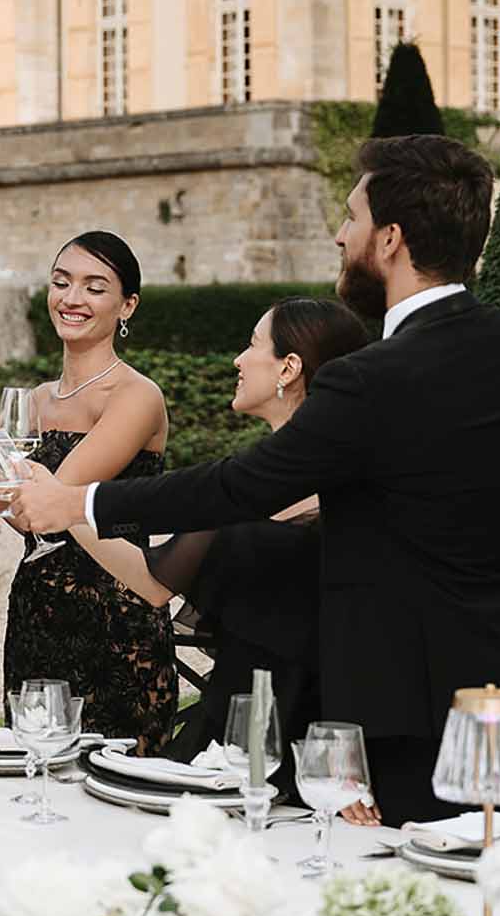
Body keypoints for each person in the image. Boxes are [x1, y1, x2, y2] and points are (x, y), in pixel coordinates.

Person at [17, 135, 500, 829]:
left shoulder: (371, 379)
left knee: (417, 912)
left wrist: (79, 500)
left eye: (352, 218)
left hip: (419, 715)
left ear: (392, 239)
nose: (341, 236)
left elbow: (239, 486)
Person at [65, 297, 370, 792]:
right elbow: (155, 578)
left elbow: (153, 579)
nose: (237, 359)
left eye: (251, 345)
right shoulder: (260, 481)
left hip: (296, 739)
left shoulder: (280, 488)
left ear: (288, 369)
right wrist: (68, 508)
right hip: (260, 726)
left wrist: (67, 505)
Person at [0, 231, 177, 750]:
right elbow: (20, 512)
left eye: (94, 288)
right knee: (33, 778)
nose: (72, 299)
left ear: (128, 305)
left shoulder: (136, 396)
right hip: (38, 612)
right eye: (62, 282)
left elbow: (54, 498)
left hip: (117, 619)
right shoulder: (32, 401)